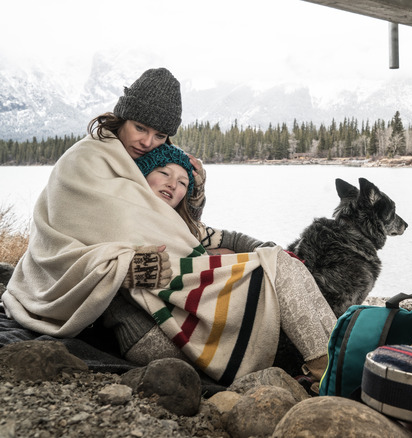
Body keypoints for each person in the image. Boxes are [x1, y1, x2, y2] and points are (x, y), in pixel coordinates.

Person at [2, 67, 334, 384]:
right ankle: (334, 370)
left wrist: (199, 196)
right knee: (277, 272)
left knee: (279, 265)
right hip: (143, 325)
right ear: (122, 118)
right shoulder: (86, 162)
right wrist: (200, 259)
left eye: (159, 134)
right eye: (140, 128)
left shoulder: (137, 170)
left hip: (164, 313)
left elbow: (177, 224)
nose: (147, 142)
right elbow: (101, 242)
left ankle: (332, 364)